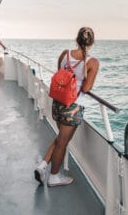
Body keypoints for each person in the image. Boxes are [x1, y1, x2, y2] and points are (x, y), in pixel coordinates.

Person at [34, 27, 99, 187]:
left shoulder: (65, 54)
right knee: (62, 142)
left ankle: (43, 165)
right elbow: (86, 88)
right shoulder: (92, 62)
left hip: (58, 103)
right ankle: (54, 177)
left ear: (76, 39)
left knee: (60, 139)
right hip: (73, 107)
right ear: (92, 42)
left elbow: (60, 76)